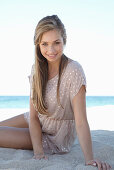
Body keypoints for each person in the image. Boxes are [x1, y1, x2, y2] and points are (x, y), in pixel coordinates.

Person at [0, 15, 111, 170]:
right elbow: (33, 116)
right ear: (37, 44)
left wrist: (89, 159)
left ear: (64, 41)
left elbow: (80, 121)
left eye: (56, 43)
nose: (51, 50)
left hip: (55, 136)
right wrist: (38, 152)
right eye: (45, 44)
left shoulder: (74, 70)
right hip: (38, 121)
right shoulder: (36, 69)